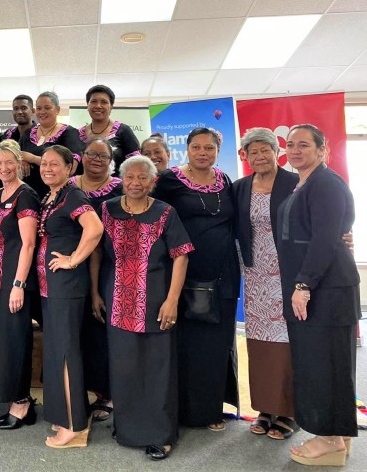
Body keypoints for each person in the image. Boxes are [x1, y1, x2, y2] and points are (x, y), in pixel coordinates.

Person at [99, 156, 193, 461]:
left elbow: (181, 256)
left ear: (152, 181)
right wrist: (93, 294)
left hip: (155, 301)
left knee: (158, 370)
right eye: (130, 178)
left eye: (143, 178)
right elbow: (96, 254)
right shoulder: (108, 209)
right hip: (116, 301)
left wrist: (172, 300)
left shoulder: (165, 212)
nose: (136, 183)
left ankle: (160, 435)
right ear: (121, 179)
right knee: (123, 367)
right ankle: (126, 428)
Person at [276, 124, 360, 467]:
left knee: (326, 365)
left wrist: (303, 285)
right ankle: (335, 435)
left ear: (322, 148)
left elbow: (325, 239)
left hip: (325, 291)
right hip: (316, 288)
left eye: (304, 145)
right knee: (321, 363)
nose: (295, 151)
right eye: (291, 145)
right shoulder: (305, 183)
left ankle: (329, 440)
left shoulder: (326, 184)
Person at [152, 128, 240, 431]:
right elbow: (152, 221)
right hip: (181, 275)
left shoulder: (225, 181)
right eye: (196, 147)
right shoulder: (169, 180)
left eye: (209, 148)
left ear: (217, 151)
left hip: (223, 275)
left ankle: (210, 410)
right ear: (186, 149)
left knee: (216, 345)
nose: (203, 152)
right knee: (184, 345)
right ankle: (180, 410)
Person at [231, 128, 298, 440]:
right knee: (258, 344)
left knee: (287, 342)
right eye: (252, 152)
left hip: (288, 273)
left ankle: (288, 411)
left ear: (276, 151)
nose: (259, 156)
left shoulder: (295, 183)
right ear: (245, 156)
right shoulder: (241, 187)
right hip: (255, 274)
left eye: (265, 150)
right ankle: (266, 407)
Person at [37, 145, 104, 449]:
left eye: (55, 164)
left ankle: (75, 426)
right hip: (50, 287)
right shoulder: (51, 197)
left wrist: (73, 259)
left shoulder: (73, 195)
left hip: (66, 286)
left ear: (69, 168)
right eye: (44, 163)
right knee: (56, 351)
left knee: (65, 353)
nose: (48, 168)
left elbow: (95, 228)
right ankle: (65, 412)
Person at [0, 140, 39, 430]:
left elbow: (28, 244)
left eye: (9, 162)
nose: (3, 168)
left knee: (16, 339)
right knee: (3, 341)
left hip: (14, 278)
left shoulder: (25, 195)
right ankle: (15, 400)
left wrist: (18, 284)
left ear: (19, 163)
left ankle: (22, 403)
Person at [75, 138, 122, 422]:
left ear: (110, 161)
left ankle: (108, 393)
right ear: (82, 156)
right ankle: (83, 390)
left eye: (103, 156)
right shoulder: (69, 185)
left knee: (102, 327)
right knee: (77, 331)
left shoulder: (119, 187)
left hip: (108, 267)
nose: (96, 159)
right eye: (91, 154)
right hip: (69, 267)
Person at [20, 91, 84, 198]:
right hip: (29, 195)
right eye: (39, 108)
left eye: (47, 108)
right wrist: (22, 160)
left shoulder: (69, 133)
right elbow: (18, 155)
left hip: (58, 196)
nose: (42, 112)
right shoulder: (27, 133)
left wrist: (32, 158)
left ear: (57, 110)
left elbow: (71, 167)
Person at [78, 85, 140, 175]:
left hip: (116, 187)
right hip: (82, 187)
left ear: (111, 107)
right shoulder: (77, 134)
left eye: (104, 102)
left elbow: (136, 164)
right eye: (93, 101)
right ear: (88, 106)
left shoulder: (123, 131)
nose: (98, 106)